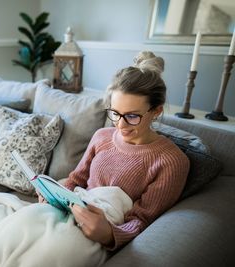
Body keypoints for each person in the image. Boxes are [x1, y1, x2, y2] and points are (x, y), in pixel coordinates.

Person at [39, 51, 190, 251]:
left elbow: (143, 220)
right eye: (115, 113)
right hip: (71, 211)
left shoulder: (171, 161)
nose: (121, 125)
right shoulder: (102, 136)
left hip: (97, 234)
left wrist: (109, 234)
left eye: (132, 116)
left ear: (156, 111)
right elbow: (76, 179)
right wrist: (53, 195)